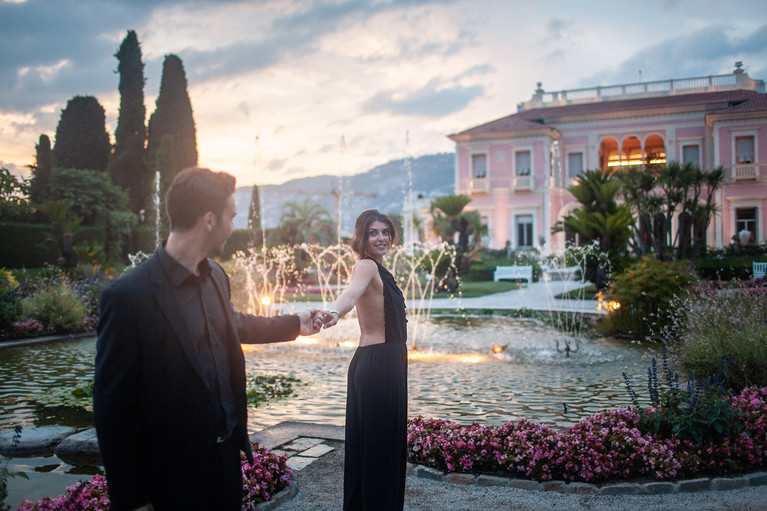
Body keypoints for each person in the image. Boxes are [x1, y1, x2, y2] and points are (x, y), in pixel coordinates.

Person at [93, 167, 324, 511]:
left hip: (224, 466)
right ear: (210, 220)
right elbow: (112, 411)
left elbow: (233, 324)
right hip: (168, 481)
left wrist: (295, 323)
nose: (234, 226)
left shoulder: (216, 274)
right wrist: (133, 500)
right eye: (231, 217)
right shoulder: (127, 297)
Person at [322, 209, 408, 511]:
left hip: (387, 363)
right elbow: (350, 293)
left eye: (385, 231)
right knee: (377, 450)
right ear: (362, 238)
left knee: (380, 447)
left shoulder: (381, 269)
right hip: (379, 365)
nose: (381, 237)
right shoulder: (367, 266)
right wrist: (334, 313)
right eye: (373, 232)